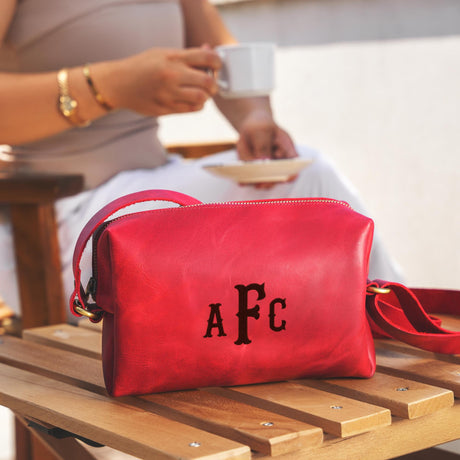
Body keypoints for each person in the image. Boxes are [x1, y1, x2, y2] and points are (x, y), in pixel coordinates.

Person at [0, 0, 403, 318]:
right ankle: (405, 343)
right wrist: (106, 87)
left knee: (310, 181)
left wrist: (254, 117)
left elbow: (221, 51)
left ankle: (405, 335)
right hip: (57, 222)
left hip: (150, 188)